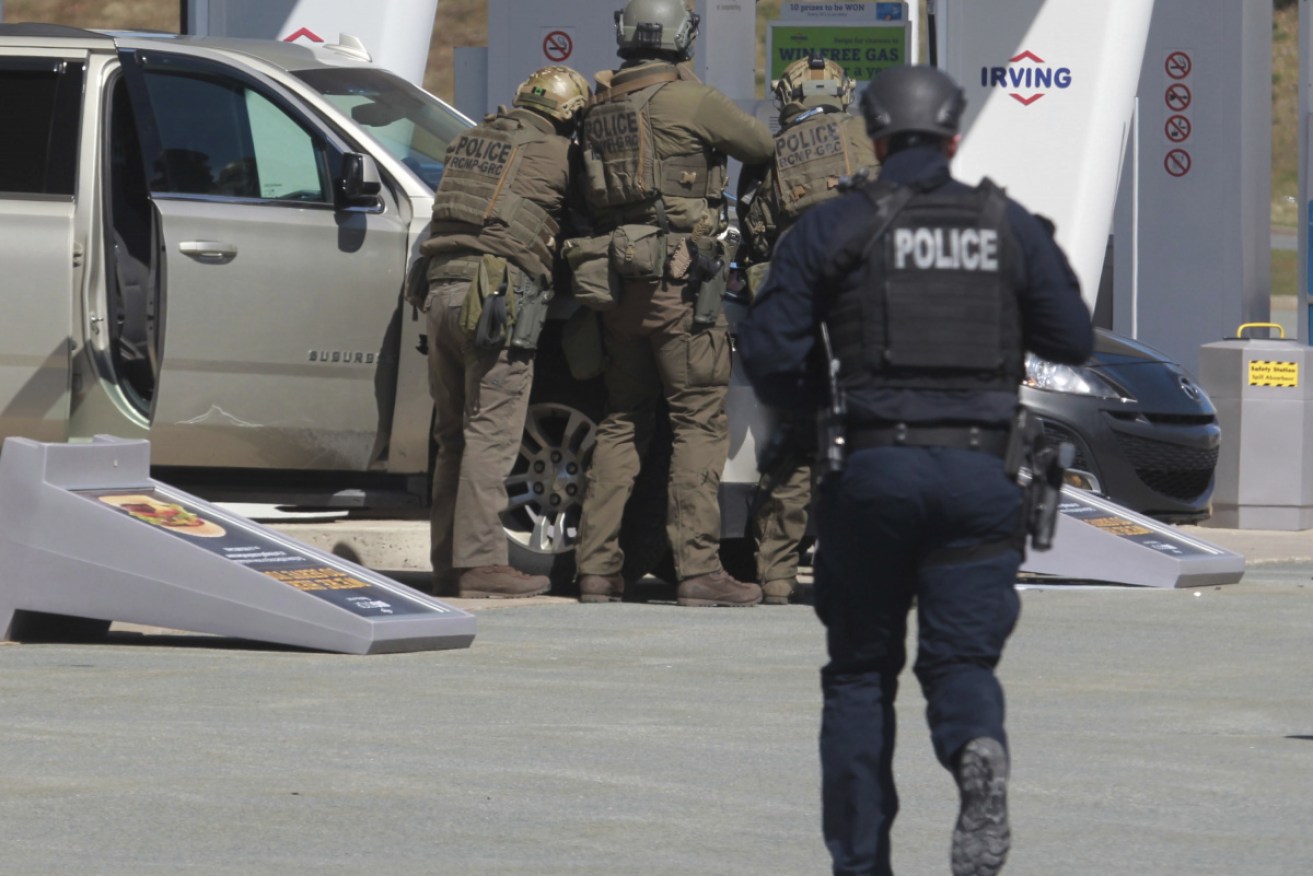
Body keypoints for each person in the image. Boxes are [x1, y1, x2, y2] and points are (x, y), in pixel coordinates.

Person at [737, 65, 1094, 875]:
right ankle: (974, 747)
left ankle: (861, 862)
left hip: (872, 471)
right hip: (979, 479)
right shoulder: (1008, 227)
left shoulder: (834, 225)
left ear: (873, 136)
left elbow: (767, 352)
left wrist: (813, 409)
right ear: (954, 138)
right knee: (960, 663)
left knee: (860, 673)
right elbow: (1072, 339)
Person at [571, 0, 775, 607]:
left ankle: (596, 570)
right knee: (697, 424)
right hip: (681, 285)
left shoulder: (599, 104)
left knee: (622, 420)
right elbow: (761, 145)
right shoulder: (693, 100)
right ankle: (698, 570)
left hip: (614, 284)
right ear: (684, 34)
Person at [418, 66, 590, 599]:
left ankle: (448, 562)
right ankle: (483, 565)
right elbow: (582, 223)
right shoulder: (559, 154)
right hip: (494, 298)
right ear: (569, 115)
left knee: (451, 438)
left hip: (439, 290)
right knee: (491, 436)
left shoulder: (468, 140)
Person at [737, 54, 878, 606]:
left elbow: (754, 233)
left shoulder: (769, 154)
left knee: (796, 440)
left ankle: (775, 575)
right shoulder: (874, 133)